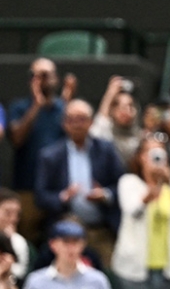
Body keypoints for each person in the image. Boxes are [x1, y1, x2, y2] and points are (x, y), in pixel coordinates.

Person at [35, 100, 124, 264]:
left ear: (91, 122)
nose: (76, 124)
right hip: (65, 232)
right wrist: (63, 196)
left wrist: (105, 195)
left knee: (107, 277)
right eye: (71, 119)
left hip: (101, 230)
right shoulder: (50, 156)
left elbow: (123, 186)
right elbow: (41, 196)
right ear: (64, 123)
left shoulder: (106, 150)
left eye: (81, 119)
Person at [111, 137, 170, 289]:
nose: (154, 157)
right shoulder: (128, 182)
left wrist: (168, 184)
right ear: (140, 157)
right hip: (134, 267)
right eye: (149, 152)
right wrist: (153, 187)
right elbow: (133, 211)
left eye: (159, 152)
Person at [7, 59, 75, 192]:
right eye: (37, 76)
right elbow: (17, 139)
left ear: (56, 78)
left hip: (59, 188)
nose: (44, 80)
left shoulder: (63, 108)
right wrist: (37, 105)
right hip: (27, 185)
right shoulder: (19, 107)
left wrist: (67, 105)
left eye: (47, 75)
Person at [22, 220, 111, 289]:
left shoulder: (97, 280)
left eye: (75, 242)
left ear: (83, 245)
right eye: (66, 242)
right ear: (53, 244)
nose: (71, 248)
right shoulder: (36, 282)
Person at [90, 77, 142, 167]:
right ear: (111, 110)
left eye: (130, 106)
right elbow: (100, 122)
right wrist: (110, 94)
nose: (126, 111)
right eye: (119, 106)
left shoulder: (140, 138)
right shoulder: (104, 133)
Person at [0, 189, 29, 281]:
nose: (14, 219)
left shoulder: (18, 241)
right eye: (8, 213)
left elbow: (21, 273)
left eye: (17, 214)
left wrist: (9, 243)